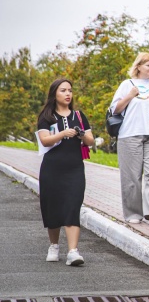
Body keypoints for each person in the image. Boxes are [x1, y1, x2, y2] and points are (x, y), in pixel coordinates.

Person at [37, 78, 95, 266]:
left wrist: (81, 133)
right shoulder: (47, 116)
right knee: (52, 207)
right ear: (54, 93)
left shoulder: (78, 115)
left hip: (74, 169)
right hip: (52, 169)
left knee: (72, 206)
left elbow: (90, 141)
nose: (68, 94)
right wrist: (63, 134)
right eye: (63, 90)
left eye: (70, 90)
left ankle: (73, 252)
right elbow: (45, 140)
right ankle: (54, 245)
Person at [110, 52, 149, 225]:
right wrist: (130, 95)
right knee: (132, 176)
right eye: (148, 65)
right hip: (130, 133)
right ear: (138, 66)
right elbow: (115, 110)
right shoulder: (127, 84)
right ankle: (133, 213)